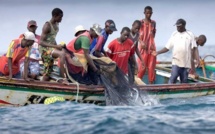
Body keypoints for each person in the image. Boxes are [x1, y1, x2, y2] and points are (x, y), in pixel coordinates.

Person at [152, 18, 197, 84]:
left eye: (179, 26)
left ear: (184, 25)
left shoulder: (190, 34)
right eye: (176, 26)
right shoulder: (174, 34)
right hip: (176, 61)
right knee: (173, 77)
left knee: (184, 80)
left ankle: (183, 93)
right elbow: (167, 47)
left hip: (186, 63)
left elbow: (194, 49)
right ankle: (168, 90)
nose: (177, 28)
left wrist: (193, 65)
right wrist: (158, 52)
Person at [39, 8, 71, 84]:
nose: (61, 19)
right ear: (55, 16)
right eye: (60, 17)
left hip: (51, 48)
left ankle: (42, 85)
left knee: (47, 74)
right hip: (44, 49)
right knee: (61, 54)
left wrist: (57, 46)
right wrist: (56, 47)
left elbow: (52, 38)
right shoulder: (47, 26)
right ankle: (64, 78)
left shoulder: (56, 24)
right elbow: (41, 42)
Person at [137, 6, 157, 84]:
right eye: (147, 13)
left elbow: (154, 34)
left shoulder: (153, 23)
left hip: (152, 49)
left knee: (151, 67)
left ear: (152, 13)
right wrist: (141, 42)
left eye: (150, 13)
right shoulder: (140, 22)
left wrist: (151, 42)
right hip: (143, 49)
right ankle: (138, 84)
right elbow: (136, 35)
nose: (148, 15)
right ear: (144, 13)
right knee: (142, 67)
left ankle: (151, 85)